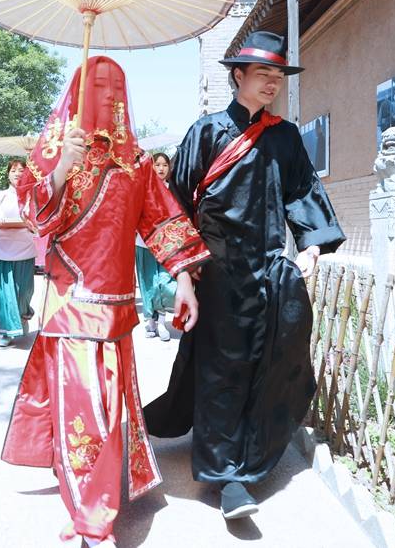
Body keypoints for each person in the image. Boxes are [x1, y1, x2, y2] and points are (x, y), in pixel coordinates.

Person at [2, 56, 209, 547]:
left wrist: (184, 279)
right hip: (70, 304)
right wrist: (59, 170)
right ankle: (93, 513)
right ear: (77, 91)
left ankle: (90, 498)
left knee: (106, 409)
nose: (109, 96)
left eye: (116, 87)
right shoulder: (55, 150)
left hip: (117, 310)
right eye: (98, 85)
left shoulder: (136, 163)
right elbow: (37, 219)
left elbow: (163, 223)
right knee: (85, 409)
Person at [144, 31, 345, 520]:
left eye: (278, 75)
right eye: (263, 74)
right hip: (215, 271)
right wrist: (185, 274)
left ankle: (251, 453)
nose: (272, 83)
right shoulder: (207, 131)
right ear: (238, 75)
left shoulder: (285, 136)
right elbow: (175, 206)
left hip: (271, 269)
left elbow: (302, 192)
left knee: (278, 360)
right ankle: (227, 476)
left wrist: (313, 245)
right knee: (222, 370)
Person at [0, 160, 36, 347]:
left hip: (25, 250)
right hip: (2, 251)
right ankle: (7, 331)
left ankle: (24, 315)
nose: (18, 173)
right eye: (14, 170)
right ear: (8, 174)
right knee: (2, 294)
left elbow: (39, 220)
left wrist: (30, 223)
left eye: (21, 170)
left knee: (24, 292)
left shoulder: (32, 196)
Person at [135, 152, 175, 342]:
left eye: (164, 165)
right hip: (143, 244)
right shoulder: (142, 189)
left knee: (166, 284)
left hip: (166, 245)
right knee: (148, 284)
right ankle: (150, 320)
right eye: (157, 164)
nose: (160, 168)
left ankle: (162, 323)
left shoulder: (173, 191)